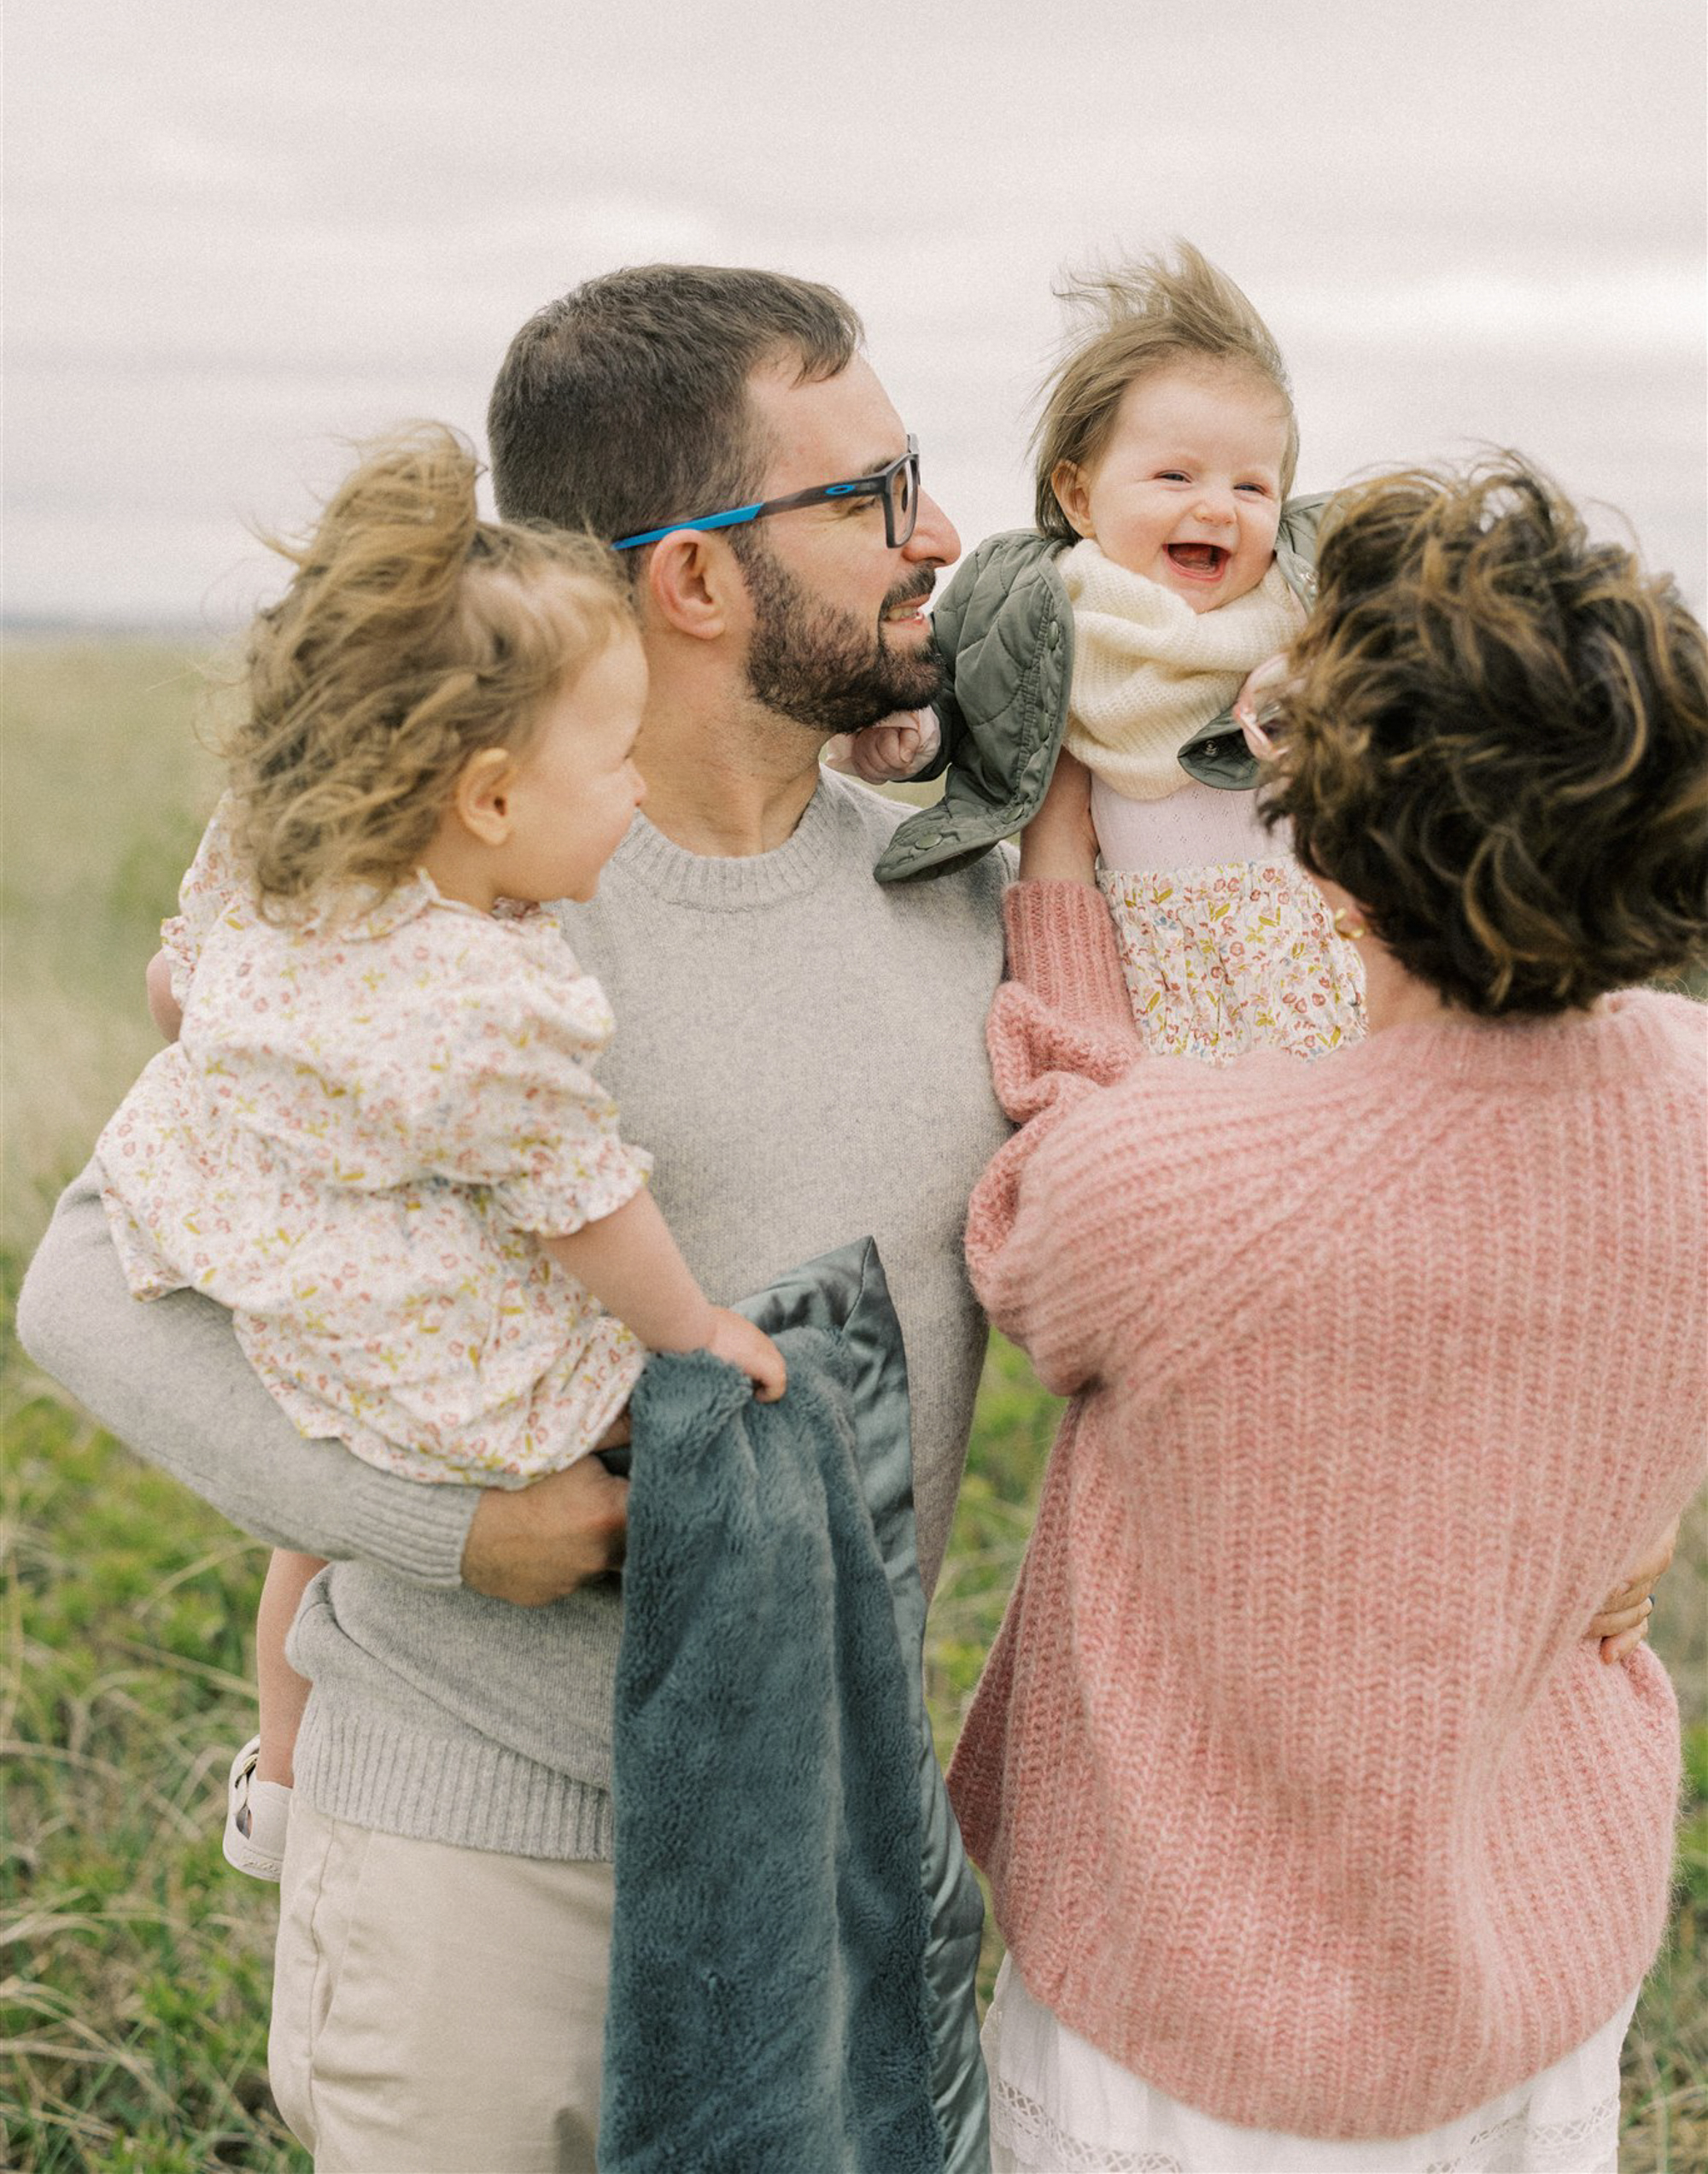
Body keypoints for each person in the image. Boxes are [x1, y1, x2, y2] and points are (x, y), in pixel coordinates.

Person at [18, 267, 1012, 2172]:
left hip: (816, 1858)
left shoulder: (960, 885)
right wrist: (456, 1532)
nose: (939, 533)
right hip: (477, 1864)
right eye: (876, 494)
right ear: (695, 575)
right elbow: (81, 1289)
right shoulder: (439, 904)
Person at [947, 456, 1707, 2174]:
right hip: (1544, 1983)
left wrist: (1058, 875)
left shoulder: (1181, 1184)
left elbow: (1036, 1225)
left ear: (1337, 854)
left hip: (1194, 2037)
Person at [94, 428, 785, 1886]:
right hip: (396, 1306)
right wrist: (694, 1330)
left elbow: (178, 981)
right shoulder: (487, 1002)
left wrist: (247, 1071)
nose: (638, 791)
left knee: (311, 1527)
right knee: (607, 1416)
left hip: (246, 1236)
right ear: (489, 799)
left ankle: (281, 1775)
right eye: (615, 759)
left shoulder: (303, 866)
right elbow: (586, 1201)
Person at [837, 243, 1365, 1060]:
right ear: (1079, 497)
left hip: (1337, 993)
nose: (1218, 508)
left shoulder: (1304, 617)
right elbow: (971, 676)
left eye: (1252, 486)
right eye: (1176, 477)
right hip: (1168, 1017)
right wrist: (922, 729)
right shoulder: (1048, 627)